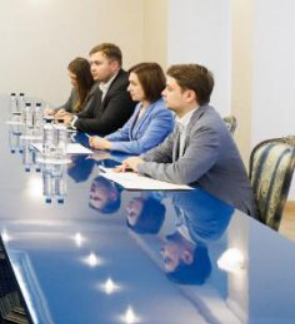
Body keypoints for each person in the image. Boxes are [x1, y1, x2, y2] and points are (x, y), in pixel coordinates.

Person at [117, 64, 256, 217]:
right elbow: (163, 152)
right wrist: (136, 160)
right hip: (200, 204)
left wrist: (141, 166)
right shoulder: (184, 119)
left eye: (169, 89)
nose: (163, 93)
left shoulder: (207, 127)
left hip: (228, 211)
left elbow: (181, 173)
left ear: (189, 96)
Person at [88, 62, 174, 155]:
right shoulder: (140, 105)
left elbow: (143, 146)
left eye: (134, 84)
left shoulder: (162, 111)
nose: (128, 88)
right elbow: (124, 133)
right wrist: (103, 140)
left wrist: (107, 144)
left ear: (149, 84)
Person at [56, 43, 134, 135]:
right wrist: (69, 116)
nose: (92, 68)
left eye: (97, 63)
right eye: (91, 64)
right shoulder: (100, 83)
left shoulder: (123, 85)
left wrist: (73, 121)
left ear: (114, 65)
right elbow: (88, 114)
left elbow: (106, 124)